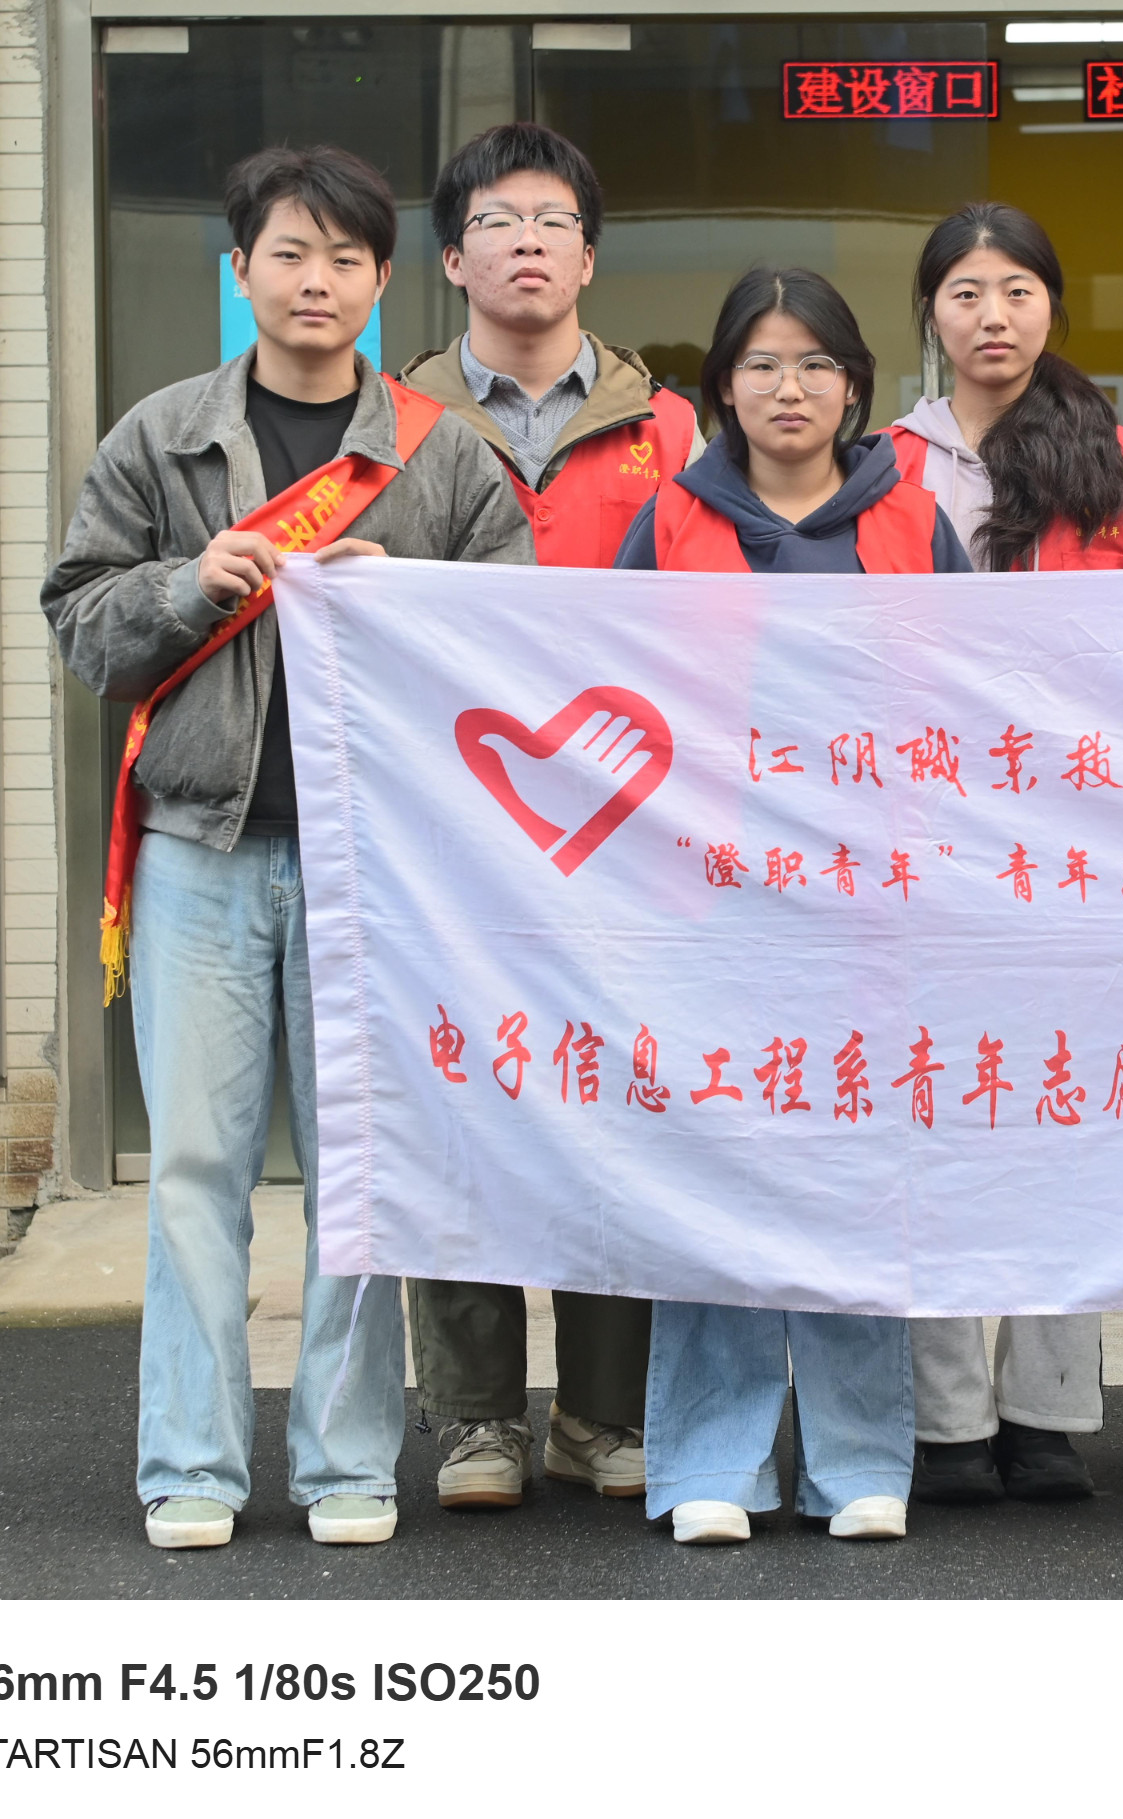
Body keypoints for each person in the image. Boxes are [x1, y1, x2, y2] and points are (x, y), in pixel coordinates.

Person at [43, 146, 533, 1550]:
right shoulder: (162, 437)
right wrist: (186, 585)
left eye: (345, 259)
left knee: (356, 1182)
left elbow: (514, 643)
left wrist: (410, 600)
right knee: (194, 1172)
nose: (316, 281)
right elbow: (81, 622)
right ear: (240, 270)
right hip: (197, 853)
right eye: (288, 254)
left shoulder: (442, 452)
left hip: (374, 869)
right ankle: (191, 1465)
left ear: (384, 281)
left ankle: (347, 1463)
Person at [615, 264, 969, 1542]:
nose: (789, 388)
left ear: (856, 388)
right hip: (710, 897)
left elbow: (974, 697)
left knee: (854, 1167)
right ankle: (711, 1462)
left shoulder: (914, 521)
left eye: (817, 364)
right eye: (761, 364)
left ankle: (858, 1459)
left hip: (868, 899)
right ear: (723, 386)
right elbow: (616, 690)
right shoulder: (670, 519)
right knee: (715, 1158)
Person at [394, 121, 701, 1515]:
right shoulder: (383, 422)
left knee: (612, 1104)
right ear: (452, 257)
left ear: (588, 256)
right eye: (496, 220)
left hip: (628, 825)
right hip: (444, 826)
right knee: (460, 1100)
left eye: (552, 221)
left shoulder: (673, 428)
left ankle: (602, 1413)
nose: (526, 241)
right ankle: (473, 1418)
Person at [883, 202, 1123, 1506]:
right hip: (926, 832)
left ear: (1053, 305)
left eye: (1016, 291)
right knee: (934, 1109)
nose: (992, 315)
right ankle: (944, 1417)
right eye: (965, 292)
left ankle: (1045, 1411)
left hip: (1075, 840)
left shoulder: (1116, 460)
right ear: (930, 313)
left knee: (1059, 1108)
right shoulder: (882, 463)